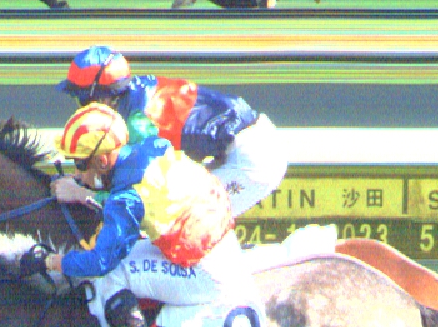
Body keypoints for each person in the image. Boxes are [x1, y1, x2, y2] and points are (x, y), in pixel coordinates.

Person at [25, 102, 245, 327]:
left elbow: (99, 262)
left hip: (208, 273)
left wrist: (52, 261)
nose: (77, 174)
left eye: (80, 164)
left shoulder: (126, 199)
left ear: (103, 161)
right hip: (221, 241)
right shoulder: (150, 145)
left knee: (110, 275)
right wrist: (85, 193)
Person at [57, 45, 285, 216]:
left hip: (254, 161)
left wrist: (82, 195)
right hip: (240, 143)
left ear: (102, 97)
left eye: (81, 100)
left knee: (182, 219)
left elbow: (142, 203)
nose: (80, 109)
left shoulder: (139, 125)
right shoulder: (132, 93)